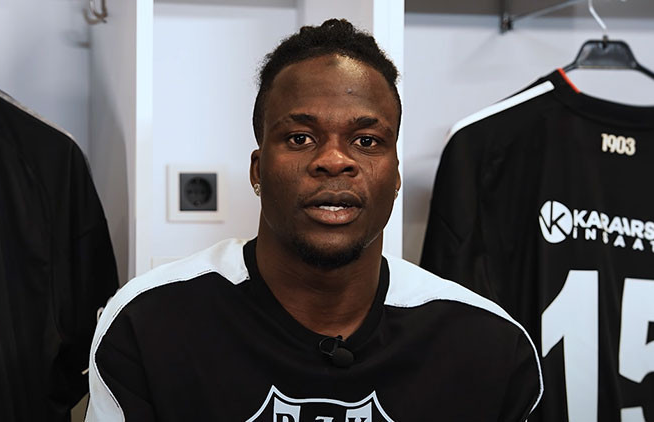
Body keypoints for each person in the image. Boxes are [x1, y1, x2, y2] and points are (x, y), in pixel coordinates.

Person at [86, 19, 542, 422]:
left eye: (366, 141)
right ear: (257, 170)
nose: (334, 160)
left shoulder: (488, 345)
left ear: (396, 175)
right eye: (300, 138)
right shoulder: (151, 323)